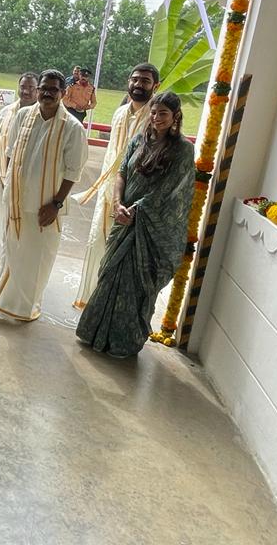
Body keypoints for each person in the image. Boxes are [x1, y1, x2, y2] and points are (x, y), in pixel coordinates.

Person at [76, 92, 195, 357]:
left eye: (163, 113)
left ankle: (123, 343)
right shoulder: (139, 140)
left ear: (175, 116)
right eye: (153, 112)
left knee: (136, 286)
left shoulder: (183, 149)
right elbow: (122, 173)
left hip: (151, 229)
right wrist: (118, 203)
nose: (156, 118)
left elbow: (170, 189)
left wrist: (135, 209)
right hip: (124, 219)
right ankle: (93, 333)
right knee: (109, 274)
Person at [0, 70, 88, 321]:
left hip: (45, 207)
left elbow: (73, 172)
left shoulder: (72, 128)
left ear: (63, 93)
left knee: (38, 258)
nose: (47, 93)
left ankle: (26, 307)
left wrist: (56, 204)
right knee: (11, 249)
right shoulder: (23, 116)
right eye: (44, 88)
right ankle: (4, 296)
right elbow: (10, 153)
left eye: (53, 89)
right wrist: (8, 188)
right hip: (16, 201)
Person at [73, 63, 160, 310]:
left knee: (123, 250)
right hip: (109, 189)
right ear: (128, 82)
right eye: (135, 79)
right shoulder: (120, 113)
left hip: (135, 195)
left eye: (145, 81)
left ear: (156, 86)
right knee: (98, 242)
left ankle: (112, 305)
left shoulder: (156, 117)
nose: (139, 85)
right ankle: (93, 299)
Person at [0, 72, 39, 270]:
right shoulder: (7, 111)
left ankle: (12, 258)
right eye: (23, 87)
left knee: (19, 218)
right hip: (4, 173)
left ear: (38, 90)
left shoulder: (40, 115)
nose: (26, 91)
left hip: (25, 178)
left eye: (31, 88)